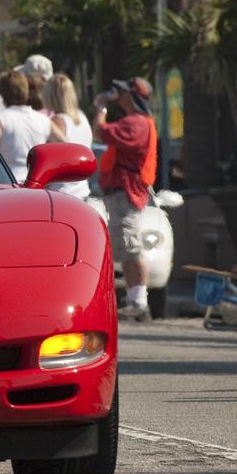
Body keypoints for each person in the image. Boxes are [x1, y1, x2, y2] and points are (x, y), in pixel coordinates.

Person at [92, 77, 157, 321]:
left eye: (123, 91)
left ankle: (140, 304)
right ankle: (135, 301)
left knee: (132, 248)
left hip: (126, 191)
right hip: (124, 192)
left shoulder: (136, 123)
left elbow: (100, 132)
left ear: (132, 96)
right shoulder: (137, 122)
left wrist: (100, 107)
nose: (118, 94)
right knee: (128, 248)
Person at [0, 71, 50, 182]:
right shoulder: (44, 120)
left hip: (10, 183)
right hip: (38, 183)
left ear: (2, 93)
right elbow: (65, 142)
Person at [43, 73, 93, 200]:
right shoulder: (82, 117)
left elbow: (47, 158)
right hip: (82, 189)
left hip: (63, 192)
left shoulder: (58, 121)